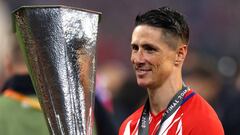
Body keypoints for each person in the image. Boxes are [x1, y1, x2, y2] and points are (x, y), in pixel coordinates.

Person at [119, 7, 224, 135]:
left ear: (179, 54)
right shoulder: (129, 126)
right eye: (135, 48)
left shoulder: (202, 122)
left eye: (150, 49)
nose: (137, 59)